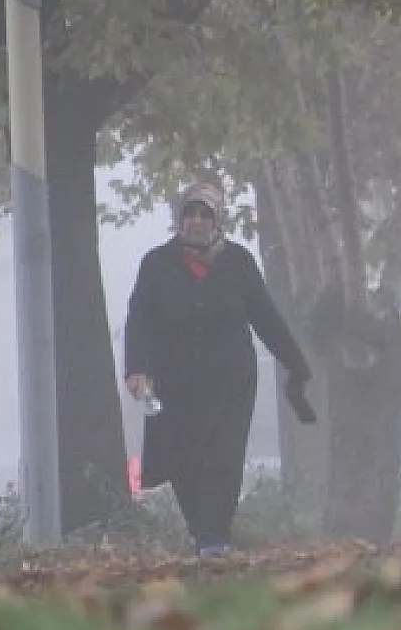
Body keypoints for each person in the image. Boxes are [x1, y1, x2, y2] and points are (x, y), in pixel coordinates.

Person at [123, 181, 313, 558]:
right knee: (181, 457)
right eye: (189, 214)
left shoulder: (238, 263)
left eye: (205, 215)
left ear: (217, 221)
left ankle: (214, 536)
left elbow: (266, 318)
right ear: (179, 220)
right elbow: (139, 319)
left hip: (230, 383)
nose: (196, 222)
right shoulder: (157, 264)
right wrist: (137, 369)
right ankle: (201, 528)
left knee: (223, 455)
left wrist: (296, 362)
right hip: (175, 383)